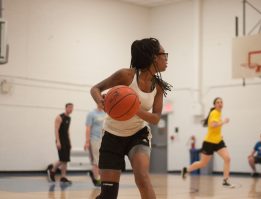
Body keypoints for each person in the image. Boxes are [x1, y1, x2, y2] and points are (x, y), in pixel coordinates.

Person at [90, 37, 171, 199]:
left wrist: (133, 109)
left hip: (138, 134)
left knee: (142, 178)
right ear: (153, 57)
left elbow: (155, 119)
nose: (166, 58)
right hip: (112, 135)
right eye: (164, 54)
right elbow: (96, 89)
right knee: (108, 195)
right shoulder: (126, 75)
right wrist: (101, 101)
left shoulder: (159, 86)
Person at [181, 97, 234, 188]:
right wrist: (224, 122)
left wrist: (219, 135)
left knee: (227, 158)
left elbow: (215, 128)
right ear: (214, 105)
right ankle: (186, 170)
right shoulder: (214, 113)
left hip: (218, 141)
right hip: (209, 142)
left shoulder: (219, 113)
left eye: (221, 102)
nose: (220, 103)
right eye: (218, 102)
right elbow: (212, 125)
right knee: (202, 163)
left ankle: (225, 180)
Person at [47, 103, 74, 184]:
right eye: (69, 107)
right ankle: (52, 170)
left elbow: (67, 131)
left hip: (66, 141)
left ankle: (63, 177)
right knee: (62, 159)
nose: (71, 109)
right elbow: (56, 130)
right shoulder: (59, 117)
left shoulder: (69, 118)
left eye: (72, 108)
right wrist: (58, 141)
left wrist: (69, 141)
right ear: (65, 108)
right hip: (60, 141)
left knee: (66, 160)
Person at [84, 104, 106, 187]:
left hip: (104, 139)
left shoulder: (106, 113)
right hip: (95, 139)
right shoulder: (91, 114)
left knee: (102, 160)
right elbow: (88, 128)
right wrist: (87, 141)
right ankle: (97, 179)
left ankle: (96, 175)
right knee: (96, 160)